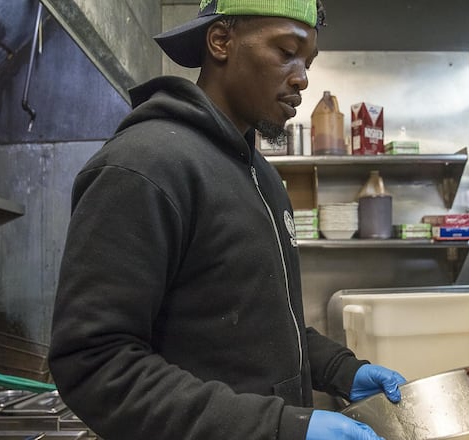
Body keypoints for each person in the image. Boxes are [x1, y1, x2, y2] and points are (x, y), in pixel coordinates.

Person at [48, 1, 407, 439]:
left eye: (308, 62)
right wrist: (279, 428)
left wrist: (339, 370)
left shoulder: (264, 178)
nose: (303, 78)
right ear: (221, 40)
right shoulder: (143, 166)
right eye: (286, 52)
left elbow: (265, 318)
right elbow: (94, 364)